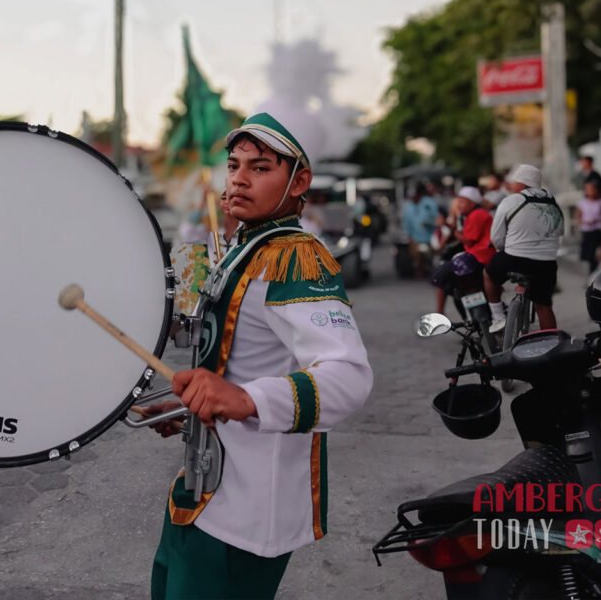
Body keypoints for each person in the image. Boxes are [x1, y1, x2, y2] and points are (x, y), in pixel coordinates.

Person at [143, 107, 373, 599]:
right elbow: (237, 364)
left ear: (299, 180)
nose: (239, 179)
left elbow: (348, 376)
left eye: (260, 167)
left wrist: (246, 400)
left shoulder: (294, 256)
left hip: (250, 506)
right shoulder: (243, 248)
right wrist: (190, 407)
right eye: (234, 165)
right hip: (205, 483)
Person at [485, 164, 564, 332]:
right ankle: (550, 344)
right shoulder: (552, 201)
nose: (512, 185)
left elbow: (496, 238)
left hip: (515, 258)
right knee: (544, 306)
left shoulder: (511, 200)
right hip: (547, 263)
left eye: (514, 182)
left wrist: (501, 250)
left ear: (521, 183)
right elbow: (559, 233)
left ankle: (498, 317)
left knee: (488, 275)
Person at [430, 187, 494, 314]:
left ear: (472, 203)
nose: (459, 205)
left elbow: (469, 240)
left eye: (462, 202)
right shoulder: (470, 216)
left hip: (478, 256)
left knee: (441, 276)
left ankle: (440, 312)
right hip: (474, 255)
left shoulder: (477, 215)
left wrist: (454, 231)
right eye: (458, 202)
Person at [179, 188, 240, 266]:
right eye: (223, 198)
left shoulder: (247, 230)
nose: (227, 202)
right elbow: (187, 234)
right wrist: (203, 202)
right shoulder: (213, 232)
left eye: (231, 198)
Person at [574, 181, 601, 276]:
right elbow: (578, 216)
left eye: (591, 189)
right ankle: (591, 274)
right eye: (587, 189)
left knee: (593, 256)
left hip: (597, 231)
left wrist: (598, 219)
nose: (589, 191)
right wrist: (583, 221)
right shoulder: (583, 203)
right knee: (586, 255)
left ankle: (593, 274)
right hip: (586, 231)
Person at [401, 184, 439, 278]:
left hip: (429, 236)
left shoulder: (429, 203)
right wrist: (408, 234)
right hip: (415, 237)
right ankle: (419, 271)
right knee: (416, 256)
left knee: (430, 256)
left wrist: (429, 222)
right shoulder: (409, 207)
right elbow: (406, 222)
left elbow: (437, 218)